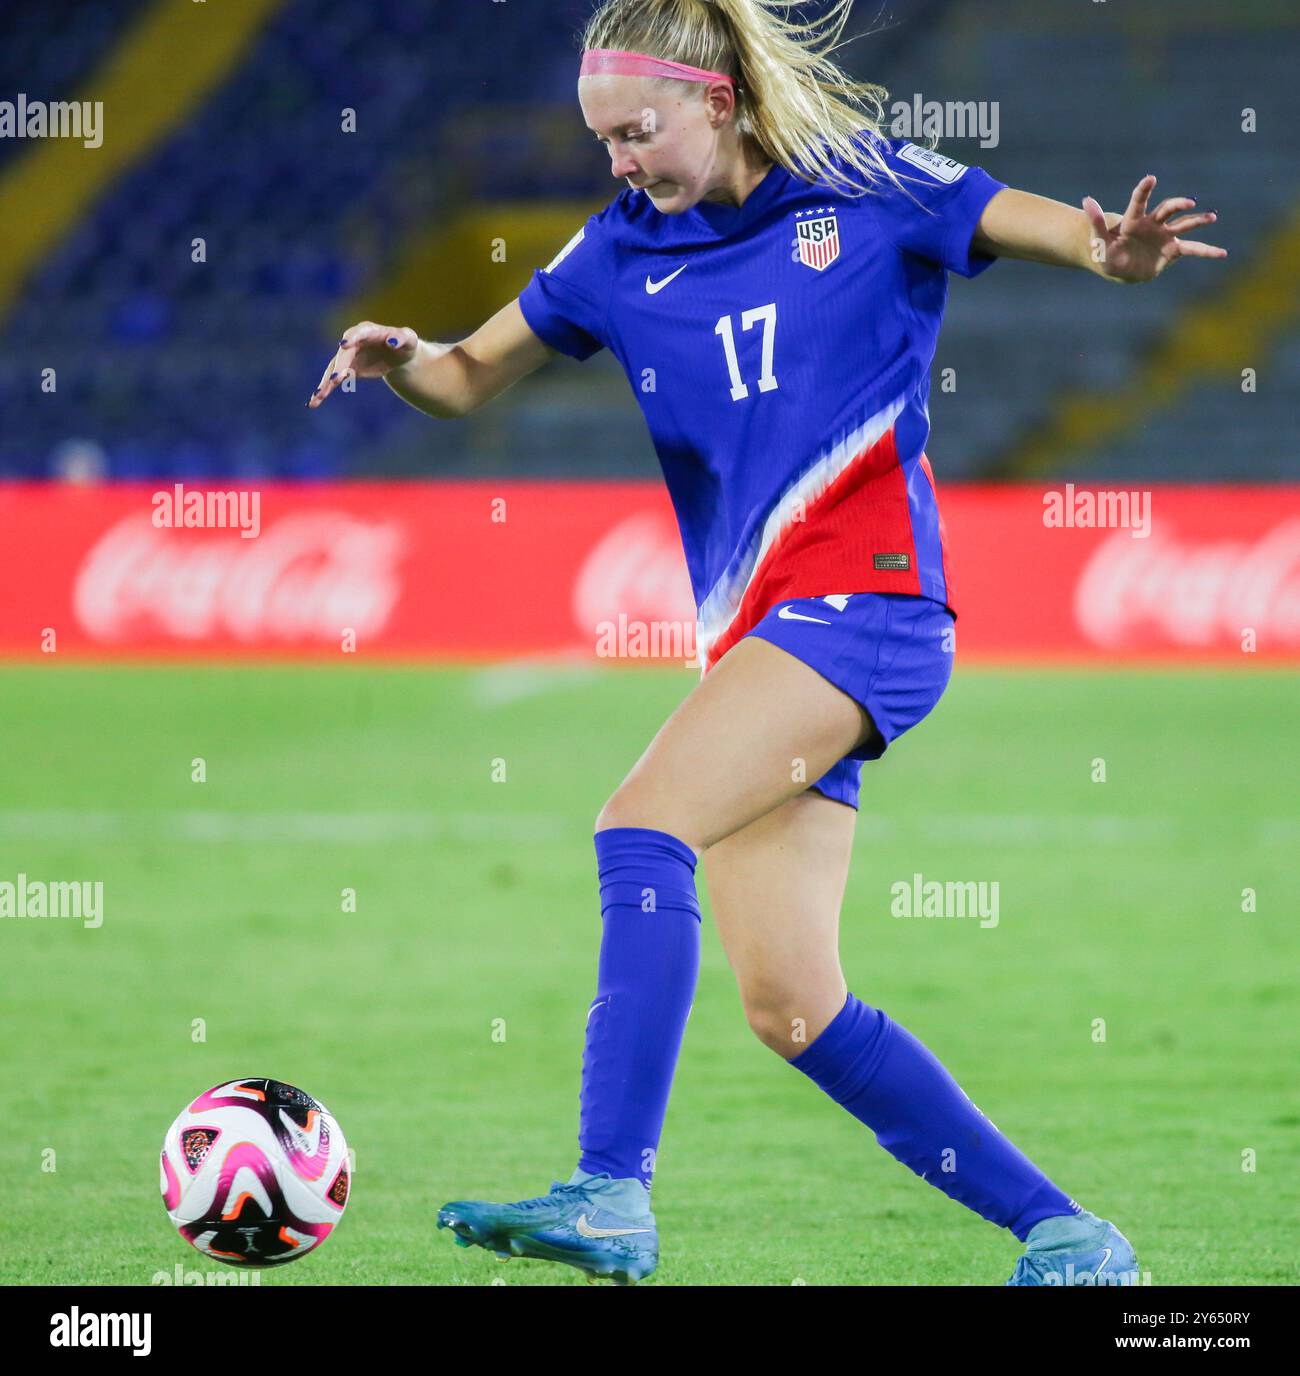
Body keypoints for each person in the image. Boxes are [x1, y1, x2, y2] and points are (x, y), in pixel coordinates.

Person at [309, 0, 1224, 1286]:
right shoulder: (616, 250)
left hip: (871, 608)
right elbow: (466, 375)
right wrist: (402, 352)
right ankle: (1067, 1234)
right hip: (761, 636)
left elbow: (1063, 231)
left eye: (638, 131)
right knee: (793, 1005)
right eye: (602, 140)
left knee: (637, 827)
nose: (620, 161)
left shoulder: (869, 184)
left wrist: (1114, 252)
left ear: (721, 101)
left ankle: (609, 1192)